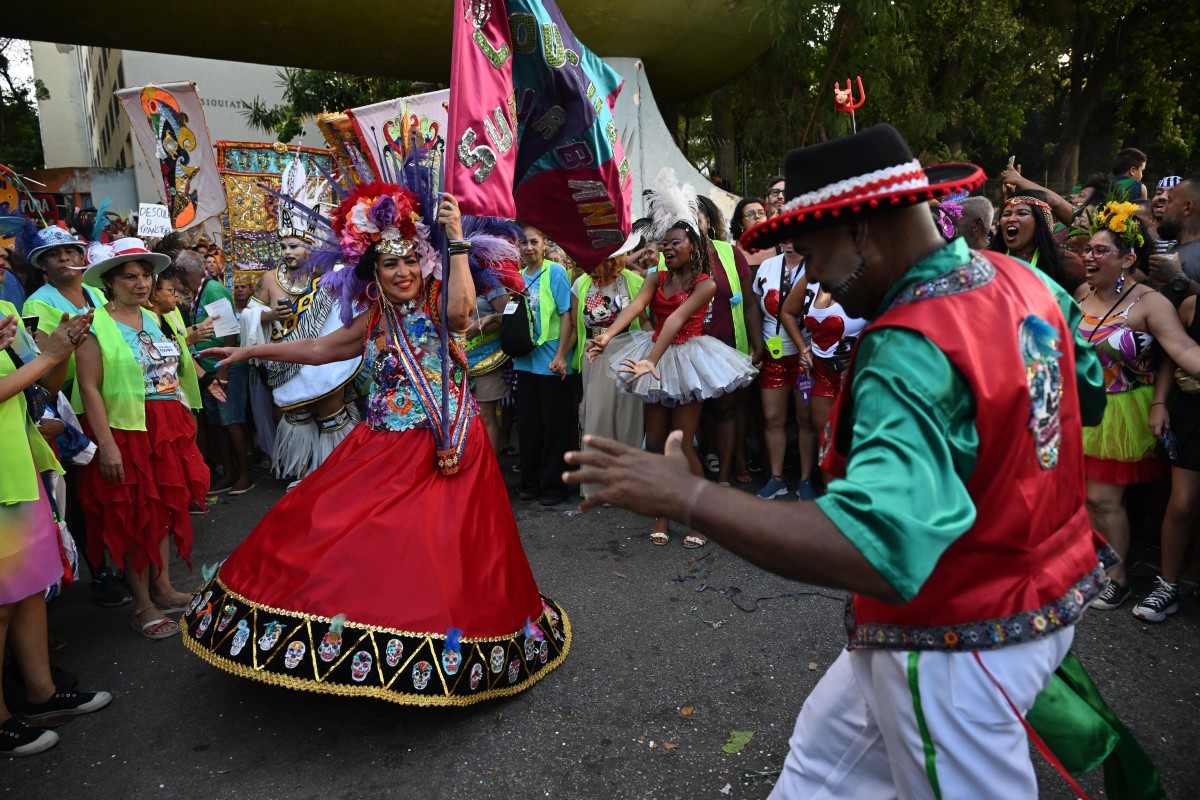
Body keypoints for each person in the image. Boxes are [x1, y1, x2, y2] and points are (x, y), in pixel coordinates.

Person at [566, 125, 1120, 797]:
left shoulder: (911, 344)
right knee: (816, 774)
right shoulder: (1023, 283)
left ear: (861, 231)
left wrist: (689, 497)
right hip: (1040, 593)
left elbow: (875, 548)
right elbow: (1085, 394)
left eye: (811, 251)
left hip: (954, 640)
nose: (807, 273)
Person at [181, 177, 569, 705]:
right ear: (374, 272)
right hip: (382, 441)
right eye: (390, 264)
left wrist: (455, 239)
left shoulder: (438, 300)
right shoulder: (375, 317)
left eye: (410, 260)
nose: (403, 271)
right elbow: (320, 350)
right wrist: (250, 355)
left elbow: (461, 314)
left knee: (443, 550)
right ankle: (371, 634)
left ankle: (448, 648)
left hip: (444, 442)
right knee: (334, 525)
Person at [587, 170, 757, 548]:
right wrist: (608, 336)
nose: (666, 249)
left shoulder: (705, 284)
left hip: (687, 360)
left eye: (674, 243)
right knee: (655, 443)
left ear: (693, 246)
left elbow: (678, 320)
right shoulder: (654, 278)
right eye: (664, 244)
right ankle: (664, 511)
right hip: (655, 355)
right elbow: (634, 308)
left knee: (680, 445)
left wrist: (652, 359)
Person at [74, 238, 210, 639]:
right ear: (110, 283)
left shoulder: (152, 319)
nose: (141, 283)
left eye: (146, 275)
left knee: (165, 510)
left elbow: (171, 371)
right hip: (127, 431)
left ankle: (164, 589)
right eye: (130, 277)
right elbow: (89, 388)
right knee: (136, 517)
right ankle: (143, 605)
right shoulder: (93, 324)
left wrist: (186, 413)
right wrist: (109, 445)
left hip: (166, 430)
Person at [1072, 201, 1200, 610]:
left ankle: (1117, 577)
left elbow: (1182, 349)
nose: (1089, 256)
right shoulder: (1080, 294)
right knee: (1086, 499)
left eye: (1100, 250)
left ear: (1128, 258)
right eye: (1087, 249)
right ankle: (1098, 565)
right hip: (1079, 408)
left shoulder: (1148, 302)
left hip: (1121, 413)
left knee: (1104, 499)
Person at [0, 308, 111, 757]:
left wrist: (63, 349)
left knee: (28, 591)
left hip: (22, 468)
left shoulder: (5, 313)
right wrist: (48, 358)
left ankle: (41, 694)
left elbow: (40, 389)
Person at [21, 226, 129, 608]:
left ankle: (123, 563)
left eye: (72, 250)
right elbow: (44, 366)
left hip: (112, 397)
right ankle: (100, 573)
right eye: (56, 254)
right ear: (43, 265)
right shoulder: (37, 305)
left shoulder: (98, 293)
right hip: (71, 403)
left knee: (115, 486)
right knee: (87, 493)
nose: (67, 258)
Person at [244, 156, 362, 485]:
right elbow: (247, 316)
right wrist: (268, 314)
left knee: (330, 413)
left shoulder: (330, 277)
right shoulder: (269, 279)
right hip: (286, 362)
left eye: (294, 245)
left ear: (310, 246)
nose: (287, 252)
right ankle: (303, 473)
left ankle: (336, 474)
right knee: (295, 416)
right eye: (283, 245)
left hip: (323, 361)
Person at [1133, 293, 1200, 621]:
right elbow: (1173, 355)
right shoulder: (1191, 305)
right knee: (1182, 503)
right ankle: (1168, 585)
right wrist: (1159, 402)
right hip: (1193, 411)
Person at [569, 250, 647, 498]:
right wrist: (561, 356)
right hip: (594, 355)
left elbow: (645, 321)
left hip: (629, 352)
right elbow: (573, 325)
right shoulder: (580, 284)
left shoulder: (634, 281)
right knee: (596, 417)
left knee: (629, 419)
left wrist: (652, 351)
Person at [178, 250, 253, 495]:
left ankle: (245, 475)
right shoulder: (199, 293)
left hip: (226, 369)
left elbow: (230, 331)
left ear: (183, 272)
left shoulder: (213, 290)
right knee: (217, 424)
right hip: (208, 371)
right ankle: (229, 473)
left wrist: (225, 369)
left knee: (232, 422)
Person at [513, 224, 575, 506]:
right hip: (524, 364)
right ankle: (530, 483)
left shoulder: (556, 272)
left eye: (534, 242)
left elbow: (567, 316)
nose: (528, 248)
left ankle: (554, 487)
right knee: (528, 425)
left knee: (554, 426)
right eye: (524, 243)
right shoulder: (517, 277)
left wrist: (561, 355)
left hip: (552, 363)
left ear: (544, 244)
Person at [752, 243, 813, 499]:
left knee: (806, 420)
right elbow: (756, 308)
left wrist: (812, 347)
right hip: (773, 354)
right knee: (773, 418)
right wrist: (757, 347)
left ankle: (806, 480)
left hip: (806, 357)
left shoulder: (818, 265)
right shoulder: (768, 266)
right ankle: (776, 478)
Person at [991, 190, 1079, 292]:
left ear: (1040, 222)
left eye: (1022, 213)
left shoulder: (1067, 263)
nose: (1011, 219)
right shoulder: (986, 259)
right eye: (1006, 214)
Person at [1148, 174, 1200, 307]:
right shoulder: (1176, 249)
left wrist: (1178, 279)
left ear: (1187, 208)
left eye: (1170, 201)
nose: (1163, 209)